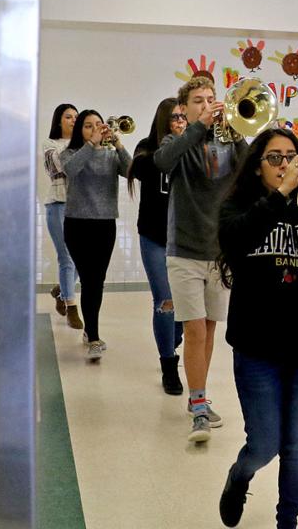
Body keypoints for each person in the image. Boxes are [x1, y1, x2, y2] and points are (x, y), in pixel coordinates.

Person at [215, 127, 298, 529]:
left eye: (291, 156)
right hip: (256, 347)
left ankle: (288, 523)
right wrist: (280, 196)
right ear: (257, 167)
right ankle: (239, 476)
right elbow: (236, 239)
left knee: (296, 446)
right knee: (263, 445)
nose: (284, 164)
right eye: (274, 157)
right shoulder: (238, 207)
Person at [154, 75, 240, 442]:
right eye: (199, 101)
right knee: (192, 329)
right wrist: (198, 127)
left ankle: (197, 397)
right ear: (185, 109)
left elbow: (252, 167)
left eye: (211, 99)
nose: (207, 105)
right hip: (184, 251)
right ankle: (200, 406)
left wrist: (238, 130)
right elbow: (162, 161)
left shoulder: (228, 142)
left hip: (220, 253)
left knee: (208, 331)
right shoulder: (177, 140)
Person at [60, 109, 132, 361]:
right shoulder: (70, 153)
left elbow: (131, 170)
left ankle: (91, 330)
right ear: (80, 130)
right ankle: (93, 336)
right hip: (77, 224)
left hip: (105, 225)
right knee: (90, 279)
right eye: (88, 126)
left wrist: (118, 143)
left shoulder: (111, 155)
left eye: (98, 125)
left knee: (96, 281)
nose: (94, 130)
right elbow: (71, 169)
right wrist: (91, 145)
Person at [126, 97, 187, 395]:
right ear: (163, 120)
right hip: (153, 237)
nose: (179, 122)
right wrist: (170, 145)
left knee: (182, 309)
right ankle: (169, 366)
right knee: (165, 302)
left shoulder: (193, 148)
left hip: (184, 240)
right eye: (174, 117)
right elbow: (140, 170)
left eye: (182, 117)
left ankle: (171, 339)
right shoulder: (146, 147)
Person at [42, 103, 83, 329]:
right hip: (58, 203)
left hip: (81, 207)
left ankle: (60, 291)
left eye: (76, 116)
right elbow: (61, 166)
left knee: (81, 258)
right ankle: (71, 306)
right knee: (66, 256)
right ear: (59, 121)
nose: (73, 120)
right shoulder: (49, 144)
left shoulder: (82, 144)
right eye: (69, 117)